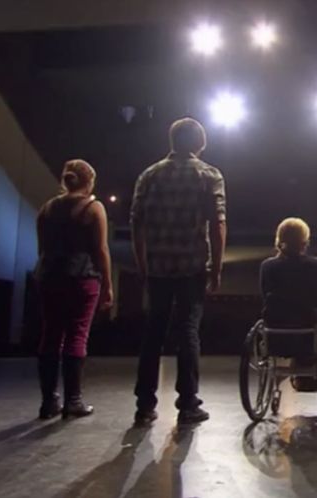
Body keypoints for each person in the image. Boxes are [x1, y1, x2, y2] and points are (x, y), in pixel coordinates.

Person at [130, 117, 226, 426]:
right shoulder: (208, 174)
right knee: (188, 331)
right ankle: (187, 404)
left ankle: (145, 405)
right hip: (192, 265)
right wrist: (217, 268)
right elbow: (218, 224)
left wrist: (142, 264)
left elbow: (136, 223)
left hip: (158, 266)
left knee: (152, 333)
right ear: (200, 142)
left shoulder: (149, 175)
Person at [35, 159, 113, 419]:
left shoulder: (47, 208)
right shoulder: (92, 208)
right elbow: (101, 250)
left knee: (50, 336)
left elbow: (42, 248)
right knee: (76, 336)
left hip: (49, 276)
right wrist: (108, 285)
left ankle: (48, 402)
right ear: (90, 181)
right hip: (82, 277)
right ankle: (73, 400)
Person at [260, 218, 317, 391]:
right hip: (307, 330)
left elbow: (265, 296)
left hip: (276, 331)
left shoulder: (268, 266)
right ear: (305, 242)